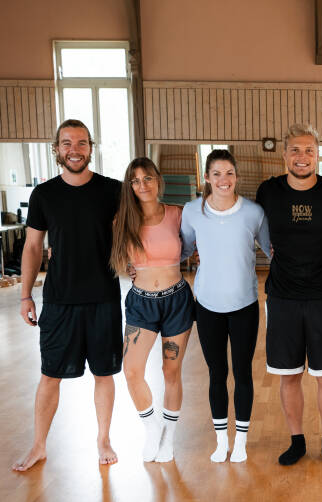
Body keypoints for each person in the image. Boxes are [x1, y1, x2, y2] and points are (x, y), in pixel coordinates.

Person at [14, 119, 122, 471]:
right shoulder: (44, 194)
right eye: (66, 143)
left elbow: (131, 235)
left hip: (103, 296)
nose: (74, 149)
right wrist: (25, 295)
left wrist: (136, 265)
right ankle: (39, 445)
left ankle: (103, 438)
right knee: (50, 375)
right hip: (59, 299)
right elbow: (32, 247)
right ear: (56, 149)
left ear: (91, 147)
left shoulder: (112, 190)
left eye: (80, 143)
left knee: (104, 373)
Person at [256, 123, 322, 467]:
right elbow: (254, 226)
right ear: (284, 154)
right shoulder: (269, 191)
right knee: (289, 375)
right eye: (295, 149)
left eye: (309, 150)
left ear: (318, 154)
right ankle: (296, 440)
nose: (302, 156)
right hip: (282, 298)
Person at [180, 149, 271, 463]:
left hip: (244, 304)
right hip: (207, 306)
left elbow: (275, 253)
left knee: (243, 372)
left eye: (229, 173)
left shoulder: (254, 213)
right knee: (216, 373)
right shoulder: (192, 211)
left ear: (237, 176)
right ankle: (221, 441)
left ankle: (242, 440)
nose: (223, 180)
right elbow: (182, 250)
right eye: (216, 174)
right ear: (206, 177)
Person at [110, 157, 194, 463]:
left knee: (170, 371)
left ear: (158, 180)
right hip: (141, 303)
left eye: (148, 178)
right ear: (129, 186)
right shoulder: (122, 220)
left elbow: (198, 246)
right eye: (135, 180)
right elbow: (119, 260)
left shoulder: (178, 214)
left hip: (177, 301)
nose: (142, 185)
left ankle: (169, 438)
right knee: (131, 371)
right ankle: (152, 428)